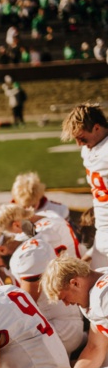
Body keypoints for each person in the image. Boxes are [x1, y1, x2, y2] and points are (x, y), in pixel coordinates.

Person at [60, 103, 108, 268]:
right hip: (102, 230)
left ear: (96, 128)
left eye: (82, 138)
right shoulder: (88, 151)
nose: (79, 144)